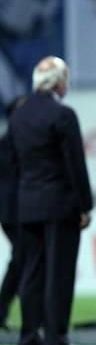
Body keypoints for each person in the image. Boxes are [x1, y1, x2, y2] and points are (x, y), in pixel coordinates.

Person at [9, 56, 93, 345]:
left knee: (31, 272)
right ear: (58, 81)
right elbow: (75, 164)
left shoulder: (18, 116)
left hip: (27, 203)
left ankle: (29, 336)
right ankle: (57, 337)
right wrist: (86, 205)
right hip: (60, 203)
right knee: (59, 273)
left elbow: (15, 164)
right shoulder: (63, 115)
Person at [0, 97, 25, 330]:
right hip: (13, 211)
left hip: (13, 211)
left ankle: (2, 309)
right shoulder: (12, 144)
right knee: (23, 257)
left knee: (21, 259)